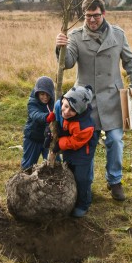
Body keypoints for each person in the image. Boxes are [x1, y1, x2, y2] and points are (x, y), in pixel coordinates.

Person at [56, 0, 132, 201]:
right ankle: (83, 184)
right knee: (87, 143)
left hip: (112, 98)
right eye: (87, 16)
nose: (92, 20)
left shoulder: (118, 35)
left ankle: (114, 181)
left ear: (103, 13)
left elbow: (130, 62)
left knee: (115, 140)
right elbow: (67, 63)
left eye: (95, 15)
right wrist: (60, 46)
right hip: (84, 102)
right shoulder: (77, 37)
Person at [47, 85, 98, 218]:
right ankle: (72, 197)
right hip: (69, 149)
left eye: (72, 110)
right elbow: (57, 116)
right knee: (69, 172)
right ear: (63, 99)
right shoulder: (59, 105)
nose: (66, 111)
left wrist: (59, 144)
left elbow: (74, 143)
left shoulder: (85, 126)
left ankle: (83, 203)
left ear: (80, 112)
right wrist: (52, 126)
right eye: (66, 105)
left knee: (82, 178)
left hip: (83, 153)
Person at [21, 76, 55, 170]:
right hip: (33, 138)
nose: (45, 97)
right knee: (28, 166)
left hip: (48, 139)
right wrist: (46, 117)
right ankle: (25, 182)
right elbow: (35, 114)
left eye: (48, 94)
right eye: (42, 94)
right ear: (37, 93)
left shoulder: (54, 102)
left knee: (55, 165)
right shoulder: (32, 102)